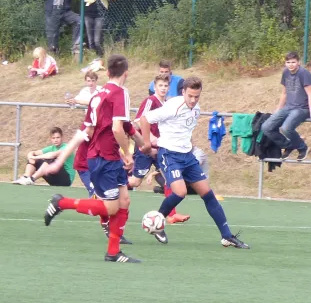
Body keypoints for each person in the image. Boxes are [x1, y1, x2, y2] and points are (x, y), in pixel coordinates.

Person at [43, 54, 141, 263]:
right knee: (111, 207)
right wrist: (130, 154)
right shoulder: (121, 93)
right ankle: (62, 203)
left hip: (108, 158)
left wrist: (60, 159)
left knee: (124, 201)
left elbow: (86, 131)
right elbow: (117, 129)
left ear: (106, 73)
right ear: (126, 74)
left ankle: (114, 253)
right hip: (104, 158)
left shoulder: (98, 95)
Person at [140, 76, 250, 249]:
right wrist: (146, 143)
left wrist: (188, 146)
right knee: (180, 192)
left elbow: (185, 130)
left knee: (208, 194)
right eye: (190, 96)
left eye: (196, 96)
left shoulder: (196, 109)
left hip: (187, 156)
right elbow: (145, 119)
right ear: (183, 92)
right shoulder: (172, 107)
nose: (193, 100)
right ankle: (158, 223)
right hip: (169, 154)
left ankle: (227, 236)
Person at [129, 74, 190, 224]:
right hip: (145, 147)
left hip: (161, 149)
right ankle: (110, 189)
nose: (163, 88)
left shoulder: (167, 104)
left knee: (169, 179)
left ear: (169, 87)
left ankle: (171, 215)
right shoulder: (150, 101)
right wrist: (148, 139)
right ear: (154, 87)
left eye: (165, 86)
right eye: (160, 86)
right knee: (136, 182)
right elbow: (138, 122)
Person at [261, 51, 311, 161]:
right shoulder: (285, 73)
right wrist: (278, 109)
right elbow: (284, 93)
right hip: (288, 107)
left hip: (302, 108)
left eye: (293, 62)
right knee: (266, 127)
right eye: (288, 62)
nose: (291, 64)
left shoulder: (304, 73)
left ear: (298, 62)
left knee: (286, 128)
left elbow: (309, 93)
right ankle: (289, 145)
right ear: (285, 63)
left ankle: (302, 147)